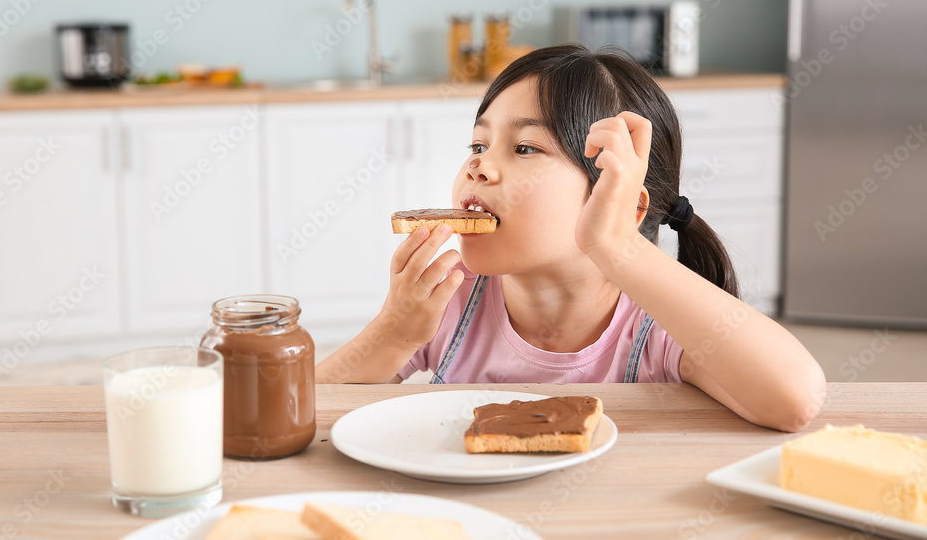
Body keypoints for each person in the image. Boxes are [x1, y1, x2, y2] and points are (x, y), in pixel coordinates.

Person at [317, 45, 826, 432]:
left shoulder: (655, 328)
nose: (478, 165)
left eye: (523, 147)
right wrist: (395, 332)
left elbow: (795, 400)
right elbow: (298, 410)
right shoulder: (452, 301)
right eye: (478, 142)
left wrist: (618, 246)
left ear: (620, 203)